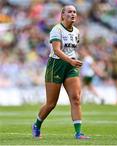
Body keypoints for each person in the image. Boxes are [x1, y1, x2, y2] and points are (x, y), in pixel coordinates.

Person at [32, 5, 90, 139]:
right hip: (56, 65)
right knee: (51, 103)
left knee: (75, 98)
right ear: (62, 15)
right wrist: (71, 61)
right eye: (69, 12)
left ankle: (78, 133)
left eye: (75, 12)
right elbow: (57, 50)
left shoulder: (76, 31)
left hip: (71, 66)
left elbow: (72, 49)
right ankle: (37, 124)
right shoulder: (56, 29)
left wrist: (74, 60)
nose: (73, 14)